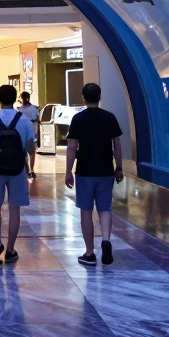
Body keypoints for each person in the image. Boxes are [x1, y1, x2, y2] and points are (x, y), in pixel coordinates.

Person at [65, 83, 124, 266]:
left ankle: (90, 253)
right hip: (105, 170)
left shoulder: (78, 119)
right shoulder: (109, 118)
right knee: (105, 209)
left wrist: (68, 171)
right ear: (100, 97)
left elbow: (72, 146)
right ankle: (105, 240)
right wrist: (119, 167)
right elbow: (117, 145)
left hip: (85, 171)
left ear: (83, 97)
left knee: (86, 211)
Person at [0, 85, 36, 264]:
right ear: (14, 99)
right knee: (14, 208)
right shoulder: (24, 119)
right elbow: (30, 148)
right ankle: (10, 249)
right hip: (17, 169)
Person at [18, 91, 40, 180]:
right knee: (32, 152)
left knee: (23, 153)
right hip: (31, 133)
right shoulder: (34, 109)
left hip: (21, 133)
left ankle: (26, 170)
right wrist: (37, 133)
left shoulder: (20, 110)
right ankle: (32, 170)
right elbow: (37, 121)